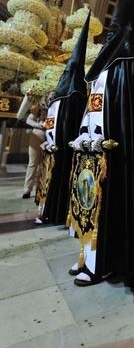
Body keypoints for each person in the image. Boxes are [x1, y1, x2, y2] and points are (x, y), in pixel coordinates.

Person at [68, 0, 134, 289]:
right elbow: (94, 106)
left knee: (109, 209)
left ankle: (106, 262)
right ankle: (87, 255)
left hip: (117, 158)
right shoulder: (103, 70)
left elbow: (125, 116)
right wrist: (83, 135)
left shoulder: (131, 65)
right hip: (92, 152)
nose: (108, 35)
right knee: (87, 207)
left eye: (114, 30)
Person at [35, 12, 91, 225]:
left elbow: (67, 124)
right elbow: (52, 119)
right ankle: (46, 209)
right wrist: (48, 139)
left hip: (62, 150)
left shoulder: (75, 96)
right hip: (52, 147)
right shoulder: (61, 96)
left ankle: (55, 212)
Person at [22, 102, 46, 198]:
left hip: (49, 138)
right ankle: (27, 190)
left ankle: (40, 189)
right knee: (32, 163)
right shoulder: (39, 106)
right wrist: (40, 126)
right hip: (36, 136)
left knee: (44, 164)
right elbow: (28, 120)